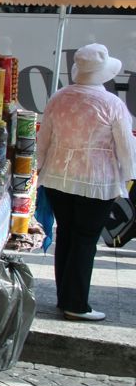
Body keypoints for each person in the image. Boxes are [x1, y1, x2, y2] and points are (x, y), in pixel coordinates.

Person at [36, 43, 135, 321]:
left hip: (57, 177)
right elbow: (127, 149)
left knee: (67, 233)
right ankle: (76, 303)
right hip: (96, 181)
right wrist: (130, 178)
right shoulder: (112, 104)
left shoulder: (59, 98)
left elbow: (43, 140)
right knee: (85, 240)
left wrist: (39, 168)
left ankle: (64, 297)